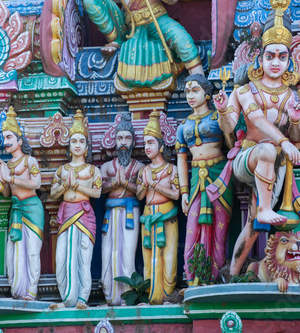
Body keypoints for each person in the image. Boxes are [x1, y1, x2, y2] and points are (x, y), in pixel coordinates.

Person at [212, 1, 300, 276]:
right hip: (247, 158)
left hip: (275, 166)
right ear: (260, 59)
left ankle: (233, 272)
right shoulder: (246, 90)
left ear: (289, 61)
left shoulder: (294, 96)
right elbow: (235, 124)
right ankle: (262, 208)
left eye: (282, 57)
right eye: (270, 56)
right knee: (268, 150)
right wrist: (224, 109)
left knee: (253, 225)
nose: (275, 62)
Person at [0, 108, 44, 300]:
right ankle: (18, 289)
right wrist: (1, 182)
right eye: (4, 138)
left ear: (19, 141)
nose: (6, 142)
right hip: (15, 211)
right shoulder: (6, 166)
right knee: (14, 252)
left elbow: (36, 184)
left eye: (9, 138)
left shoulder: (30, 160)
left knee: (31, 252)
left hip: (32, 209)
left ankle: (31, 291)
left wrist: (11, 178)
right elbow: (7, 193)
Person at [176, 75, 233, 286]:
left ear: (207, 94)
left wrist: (224, 111)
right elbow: (181, 159)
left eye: (195, 91)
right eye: (187, 92)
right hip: (195, 181)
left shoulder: (216, 116)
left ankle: (214, 280)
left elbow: (231, 141)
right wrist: (183, 193)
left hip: (219, 176)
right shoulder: (183, 126)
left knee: (219, 231)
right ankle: (192, 280)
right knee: (192, 231)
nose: (190, 96)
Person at [83, 0, 204, 89]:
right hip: (129, 28)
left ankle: (201, 87)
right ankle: (115, 39)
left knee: (182, 40)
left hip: (156, 20)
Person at [50, 110, 102, 309]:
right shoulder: (62, 170)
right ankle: (67, 298)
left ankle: (81, 299)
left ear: (87, 147)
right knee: (62, 257)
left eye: (81, 141)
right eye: (74, 141)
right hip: (66, 215)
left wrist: (76, 186)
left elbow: (97, 193)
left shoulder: (92, 170)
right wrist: (65, 186)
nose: (77, 145)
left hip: (84, 216)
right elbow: (53, 193)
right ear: (69, 145)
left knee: (83, 256)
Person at [100, 113, 144, 305]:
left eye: (127, 138)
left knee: (127, 253)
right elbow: (99, 190)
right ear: (114, 141)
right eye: (120, 138)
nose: (123, 142)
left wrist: (125, 184)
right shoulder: (107, 166)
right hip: (110, 214)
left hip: (130, 213)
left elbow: (141, 194)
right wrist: (113, 184)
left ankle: (128, 296)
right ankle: (110, 295)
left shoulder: (140, 167)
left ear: (133, 141)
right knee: (109, 253)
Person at [136, 110, 180, 305]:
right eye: (145, 143)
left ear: (161, 147)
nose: (147, 147)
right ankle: (151, 297)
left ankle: (167, 295)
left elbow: (176, 194)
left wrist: (155, 185)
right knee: (149, 259)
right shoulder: (144, 171)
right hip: (148, 217)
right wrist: (144, 187)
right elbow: (139, 196)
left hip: (167, 216)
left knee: (169, 258)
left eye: (151, 142)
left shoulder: (171, 169)